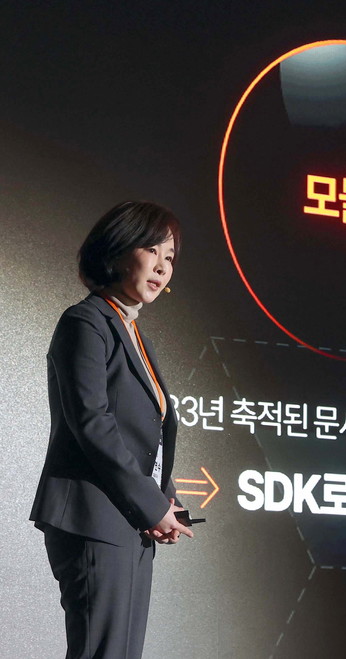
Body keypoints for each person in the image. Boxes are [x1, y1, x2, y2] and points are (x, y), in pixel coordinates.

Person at [30, 200, 194, 659]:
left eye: (170, 257)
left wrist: (164, 498)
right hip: (93, 517)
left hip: (128, 520)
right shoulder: (85, 322)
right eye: (152, 250)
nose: (162, 266)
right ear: (119, 251)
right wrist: (150, 504)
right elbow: (92, 423)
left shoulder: (133, 333)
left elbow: (141, 435)